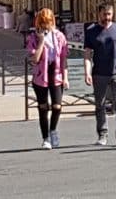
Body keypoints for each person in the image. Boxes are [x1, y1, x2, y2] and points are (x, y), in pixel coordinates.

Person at [83, 2, 116, 146]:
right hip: (99, 73)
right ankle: (102, 134)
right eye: (104, 14)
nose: (107, 17)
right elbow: (87, 54)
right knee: (100, 104)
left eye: (109, 14)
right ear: (99, 14)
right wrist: (87, 73)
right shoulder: (91, 31)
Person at [27, 8, 69, 149]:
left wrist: (66, 77)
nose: (46, 26)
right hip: (40, 75)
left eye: (48, 22)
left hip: (56, 73)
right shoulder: (33, 37)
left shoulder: (59, 36)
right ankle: (45, 138)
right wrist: (41, 41)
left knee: (57, 106)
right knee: (43, 107)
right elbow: (34, 59)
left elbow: (64, 58)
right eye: (43, 22)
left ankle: (53, 130)